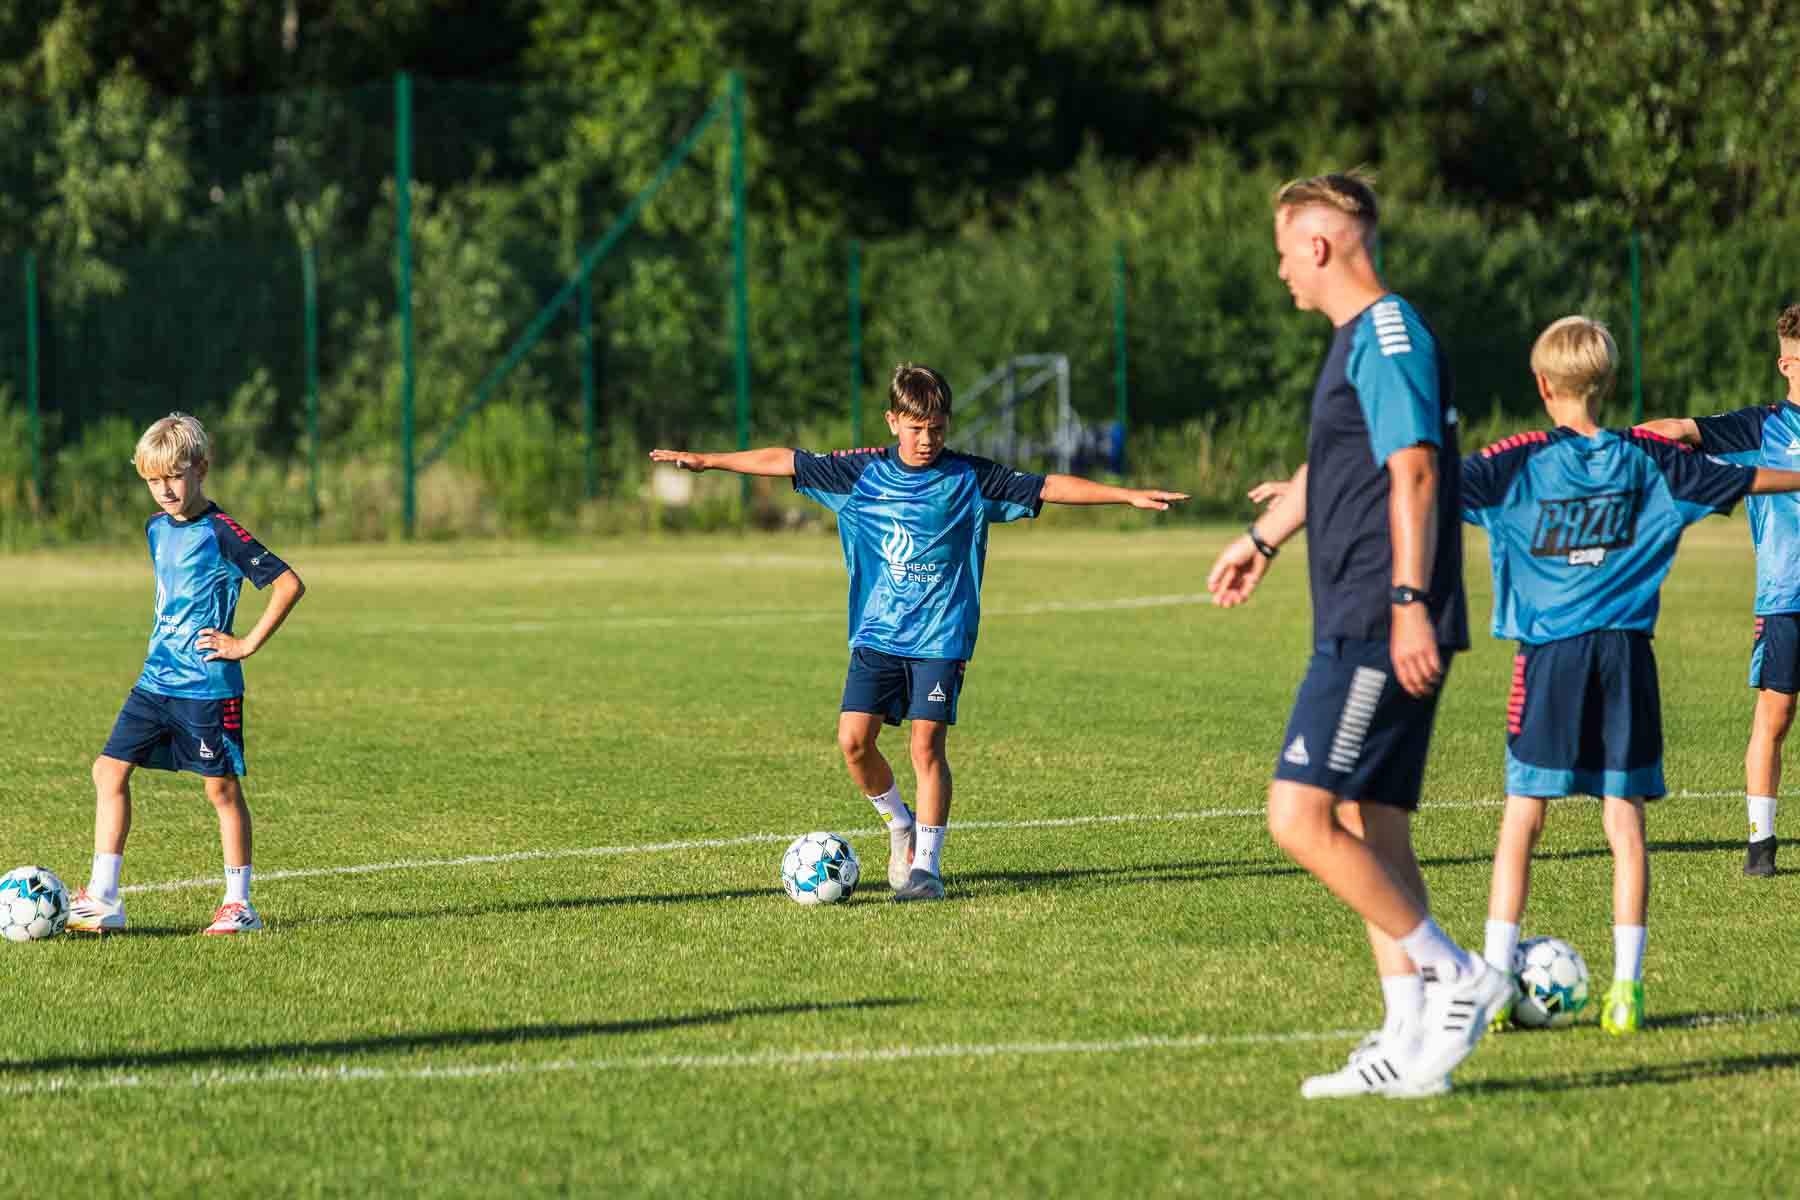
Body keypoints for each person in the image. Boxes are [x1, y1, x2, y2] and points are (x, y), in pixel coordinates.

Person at [650, 363, 1187, 902]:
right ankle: (899, 823)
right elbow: (786, 460)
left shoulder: (969, 478)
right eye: (916, 428)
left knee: (926, 745)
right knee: (853, 742)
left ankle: (926, 870)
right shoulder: (860, 473)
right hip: (877, 634)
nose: (927, 439)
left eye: (936, 428)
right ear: (892, 422)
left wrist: (1126, 494)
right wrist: (709, 461)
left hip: (941, 637)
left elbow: (1046, 485)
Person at [1207, 170, 1507, 1099]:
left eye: (1284, 253)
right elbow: (1338, 460)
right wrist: (1263, 539)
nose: (1281, 273)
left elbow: (1415, 471)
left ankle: (1457, 975)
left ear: (1320, 244)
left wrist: (1410, 602)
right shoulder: (1359, 339)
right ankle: (1406, 1039)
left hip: (1380, 619)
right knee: (1369, 825)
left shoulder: (1388, 333)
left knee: (1298, 816)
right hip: (1362, 614)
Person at [1459, 316, 1800, 1036]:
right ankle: (1627, 990)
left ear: (1542, 384)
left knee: (1523, 818)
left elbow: (1420, 479)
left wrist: (1318, 494)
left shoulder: (1514, 461)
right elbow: (1747, 477)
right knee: (1625, 822)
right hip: (1626, 659)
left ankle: (1490, 981)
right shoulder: (1649, 459)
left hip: (1547, 658)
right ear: (1609, 383)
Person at [68, 413, 305, 935]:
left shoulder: (222, 532)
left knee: (220, 790)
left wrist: (245, 644)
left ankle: (238, 906)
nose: (165, 490)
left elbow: (288, 584)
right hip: (155, 681)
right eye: (153, 480)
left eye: (174, 476)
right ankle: (103, 898)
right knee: (108, 771)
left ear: (201, 469)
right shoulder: (155, 528)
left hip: (206, 686)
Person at [1636, 303, 1800, 877]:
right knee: (1776, 714)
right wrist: (1607, 444)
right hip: (1786, 597)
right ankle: (1761, 845)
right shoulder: (1762, 427)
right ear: (1786, 365)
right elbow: (1680, 431)